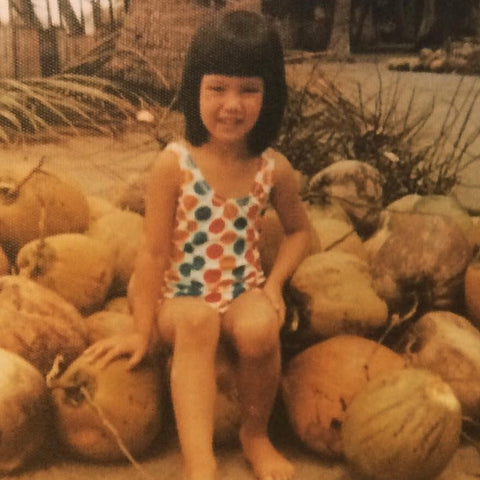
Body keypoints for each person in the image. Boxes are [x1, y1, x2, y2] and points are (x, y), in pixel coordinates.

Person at [85, 10, 310, 480]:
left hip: (241, 287)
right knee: (197, 322)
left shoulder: (273, 168)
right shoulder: (175, 165)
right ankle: (199, 459)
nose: (233, 104)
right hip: (180, 296)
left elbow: (298, 232)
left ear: (269, 96)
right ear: (196, 88)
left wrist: (274, 287)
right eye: (218, 88)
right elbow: (151, 254)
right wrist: (141, 329)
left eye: (249, 89)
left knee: (259, 330)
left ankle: (256, 435)